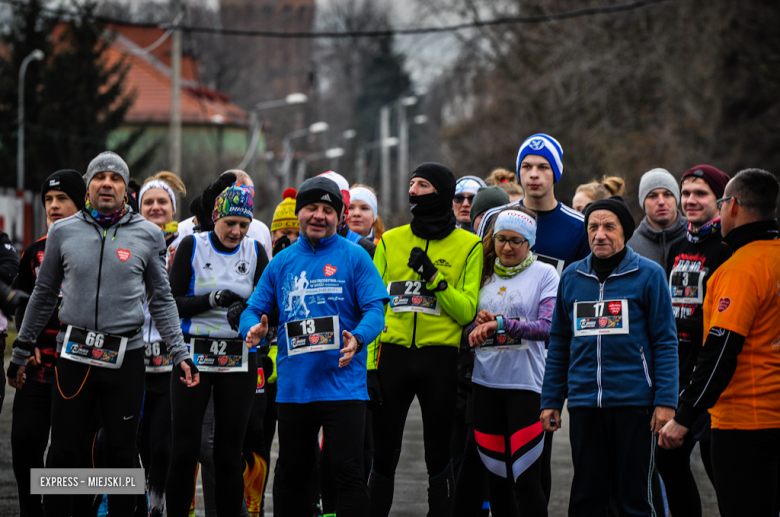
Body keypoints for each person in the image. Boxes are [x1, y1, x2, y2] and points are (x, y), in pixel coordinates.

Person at [7, 151, 197, 517]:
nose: (107, 183)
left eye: (115, 178)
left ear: (126, 190)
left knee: (121, 455)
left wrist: (180, 353)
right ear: (89, 186)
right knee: (62, 452)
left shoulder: (148, 234)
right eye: (99, 177)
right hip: (74, 359)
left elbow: (162, 300)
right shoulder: (63, 232)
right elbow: (43, 296)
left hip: (124, 362)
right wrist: (21, 350)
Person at [239, 176, 388, 517]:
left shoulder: (355, 256)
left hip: (344, 387)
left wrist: (360, 336)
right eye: (311, 208)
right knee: (292, 473)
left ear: (340, 216)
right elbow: (253, 310)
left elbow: (376, 310)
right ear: (299, 212)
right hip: (296, 389)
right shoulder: (282, 262)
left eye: (327, 209)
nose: (319, 216)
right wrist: (253, 330)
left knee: (347, 472)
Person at [541, 195, 678, 516]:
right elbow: (560, 341)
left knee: (634, 497)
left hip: (635, 406)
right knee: (586, 496)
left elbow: (665, 342)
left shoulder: (649, 275)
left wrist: (666, 402)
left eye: (608, 227)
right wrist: (551, 400)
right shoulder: (572, 277)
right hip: (585, 405)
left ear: (624, 232)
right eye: (593, 227)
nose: (599, 234)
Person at [659, 169, 780, 517]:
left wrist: (685, 415)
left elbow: (721, 349)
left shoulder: (740, 268)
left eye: (719, 199)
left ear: (733, 207)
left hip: (743, 419)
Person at [368, 162, 483, 517]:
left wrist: (434, 278)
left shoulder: (470, 245)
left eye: (423, 185)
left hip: (440, 360)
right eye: (411, 184)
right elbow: (373, 306)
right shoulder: (390, 240)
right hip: (394, 357)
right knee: (383, 453)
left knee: (438, 454)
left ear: (442, 194)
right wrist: (371, 365)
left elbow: (466, 311)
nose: (414, 192)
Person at [165, 184, 268, 517]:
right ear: (215, 219)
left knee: (228, 452)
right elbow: (172, 302)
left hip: (238, 359)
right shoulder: (192, 245)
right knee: (184, 449)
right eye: (229, 223)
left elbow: (268, 304)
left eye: (243, 224)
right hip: (194, 355)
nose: (236, 231)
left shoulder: (254, 252)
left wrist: (249, 310)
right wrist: (212, 299)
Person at [458, 207, 559, 517]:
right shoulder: (483, 273)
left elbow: (547, 328)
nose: (508, 247)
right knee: (497, 479)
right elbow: (465, 325)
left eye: (517, 241)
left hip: (525, 387)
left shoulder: (545, 273)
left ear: (529, 243)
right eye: (502, 239)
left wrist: (501, 324)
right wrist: (477, 322)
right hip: (486, 385)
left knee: (527, 481)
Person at [654, 165, 731, 517]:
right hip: (680, 375)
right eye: (686, 193)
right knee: (667, 462)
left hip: (716, 378)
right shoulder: (678, 247)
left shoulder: (727, 248)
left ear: (720, 199)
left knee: (722, 473)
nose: (690, 201)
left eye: (700, 194)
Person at [10, 169, 83, 516]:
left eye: (62, 199)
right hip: (38, 368)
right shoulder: (33, 253)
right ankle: (31, 509)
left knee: (70, 453)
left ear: (81, 202)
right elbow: (23, 301)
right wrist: (28, 341)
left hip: (80, 369)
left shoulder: (94, 248)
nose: (53, 206)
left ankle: (63, 508)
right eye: (48, 201)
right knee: (24, 443)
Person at [135, 171, 187, 517]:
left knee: (162, 446)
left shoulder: (188, 244)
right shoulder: (127, 242)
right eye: (148, 202)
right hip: (132, 363)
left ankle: (157, 506)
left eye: (162, 202)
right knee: (130, 446)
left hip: (170, 365)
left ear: (173, 209)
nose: (155, 207)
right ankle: (133, 504)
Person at [177, 169, 272, 260]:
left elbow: (267, 272)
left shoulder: (261, 230)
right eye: (233, 196)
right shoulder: (184, 229)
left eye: (247, 197)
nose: (240, 203)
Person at [627, 168, 688, 267]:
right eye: (653, 196)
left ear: (677, 199)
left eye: (667, 194)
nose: (661, 202)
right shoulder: (630, 247)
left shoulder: (696, 236)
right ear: (643, 203)